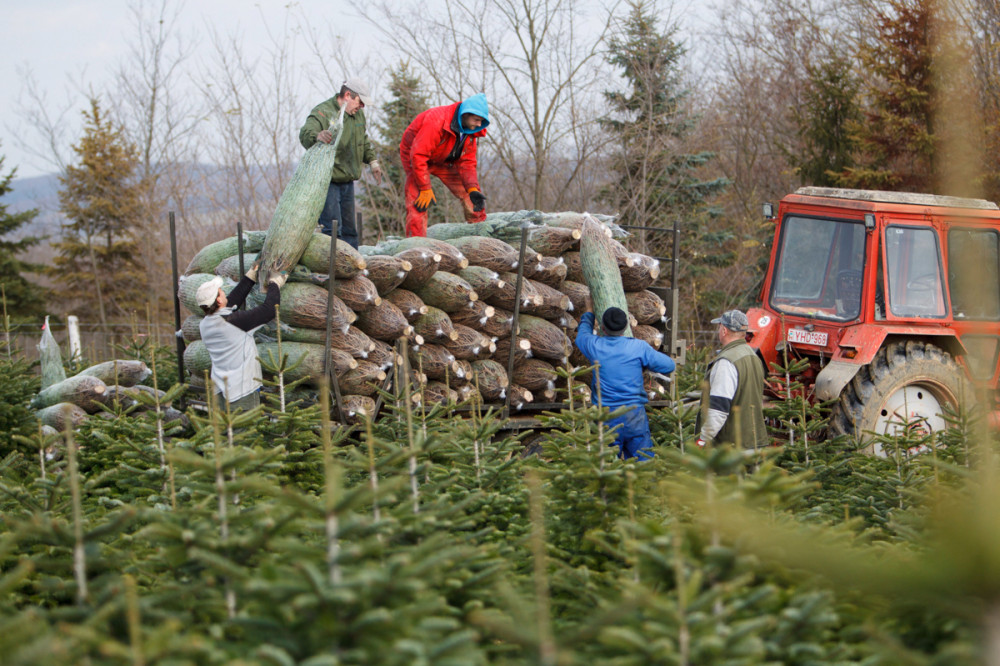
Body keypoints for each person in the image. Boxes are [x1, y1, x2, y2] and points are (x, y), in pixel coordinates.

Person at [575, 303, 676, 460]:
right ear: (626, 326)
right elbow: (669, 365)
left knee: (606, 466)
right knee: (642, 464)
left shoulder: (594, 345)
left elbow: (581, 335)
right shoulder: (638, 347)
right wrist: (645, 363)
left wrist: (589, 312)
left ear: (602, 327)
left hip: (606, 416)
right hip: (634, 416)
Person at [299, 78, 382, 249]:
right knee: (333, 229)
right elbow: (306, 132)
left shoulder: (357, 114)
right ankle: (332, 269)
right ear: (347, 95)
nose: (362, 107)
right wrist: (317, 136)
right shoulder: (323, 112)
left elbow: (363, 140)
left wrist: (373, 161)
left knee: (350, 229)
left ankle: (351, 268)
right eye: (360, 102)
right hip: (327, 181)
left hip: (347, 179)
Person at [197, 263, 287, 411]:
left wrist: (249, 278)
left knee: (226, 433)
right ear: (219, 300)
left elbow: (230, 304)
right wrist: (274, 284)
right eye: (221, 292)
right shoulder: (234, 322)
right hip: (241, 394)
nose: (224, 293)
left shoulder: (205, 324)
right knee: (244, 433)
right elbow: (269, 311)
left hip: (220, 392)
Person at [399, 93, 490, 237]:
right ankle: (416, 246)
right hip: (417, 157)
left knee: (472, 197)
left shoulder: (471, 131)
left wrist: (472, 188)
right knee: (419, 202)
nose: (479, 124)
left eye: (482, 121)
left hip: (444, 160)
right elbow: (418, 155)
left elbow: (467, 162)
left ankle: (480, 237)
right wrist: (425, 188)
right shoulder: (436, 121)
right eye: (477, 120)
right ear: (465, 115)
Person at [695, 309, 768, 448]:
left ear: (724, 330)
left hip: (731, 448)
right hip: (754, 443)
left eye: (719, 326)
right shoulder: (753, 356)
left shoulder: (726, 362)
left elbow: (719, 409)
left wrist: (703, 440)